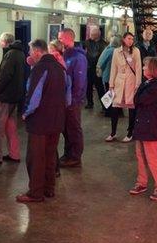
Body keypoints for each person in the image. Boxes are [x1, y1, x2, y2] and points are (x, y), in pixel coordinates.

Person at [16, 39, 67, 203]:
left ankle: (36, 193)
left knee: (36, 158)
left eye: (31, 52)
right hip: (57, 120)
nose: (30, 55)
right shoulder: (60, 68)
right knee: (50, 156)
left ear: (37, 51)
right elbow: (68, 94)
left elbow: (34, 95)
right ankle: (49, 188)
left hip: (40, 122)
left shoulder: (40, 68)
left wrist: (25, 112)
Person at [0, 32, 26, 166]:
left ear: (4, 41)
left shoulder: (10, 54)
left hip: (5, 97)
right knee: (11, 126)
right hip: (15, 97)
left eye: (0, 41)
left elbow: (3, 76)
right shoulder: (20, 53)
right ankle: (14, 154)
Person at [128, 57, 157, 201]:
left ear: (153, 70)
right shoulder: (148, 83)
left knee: (152, 158)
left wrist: (137, 94)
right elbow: (137, 99)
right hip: (142, 125)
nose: (143, 68)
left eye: (145, 66)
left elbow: (138, 100)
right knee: (141, 156)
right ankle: (142, 182)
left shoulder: (155, 87)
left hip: (150, 126)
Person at [58, 28, 87, 168]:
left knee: (73, 128)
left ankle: (75, 157)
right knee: (66, 129)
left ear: (69, 38)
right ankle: (67, 154)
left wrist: (73, 100)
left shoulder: (78, 57)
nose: (59, 41)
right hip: (65, 100)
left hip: (73, 101)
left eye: (61, 38)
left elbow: (79, 82)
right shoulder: (66, 55)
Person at [107, 32, 142, 142]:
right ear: (123, 39)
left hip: (131, 82)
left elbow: (138, 68)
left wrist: (138, 84)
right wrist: (111, 84)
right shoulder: (116, 51)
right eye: (128, 38)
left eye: (132, 39)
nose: (130, 41)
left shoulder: (136, 51)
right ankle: (113, 132)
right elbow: (113, 68)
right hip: (119, 82)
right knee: (115, 107)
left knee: (131, 107)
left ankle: (130, 132)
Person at [82, 26, 107, 110]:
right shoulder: (87, 42)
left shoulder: (103, 43)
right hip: (89, 68)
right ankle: (90, 103)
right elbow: (84, 51)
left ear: (98, 34)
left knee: (100, 88)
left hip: (98, 68)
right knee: (88, 87)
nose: (91, 35)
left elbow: (100, 55)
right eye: (91, 34)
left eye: (93, 34)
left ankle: (105, 106)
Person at [97, 36, 121, 117]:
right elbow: (101, 63)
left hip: (109, 76)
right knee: (110, 94)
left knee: (110, 93)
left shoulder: (108, 49)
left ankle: (109, 111)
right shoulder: (112, 50)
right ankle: (108, 112)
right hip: (110, 76)